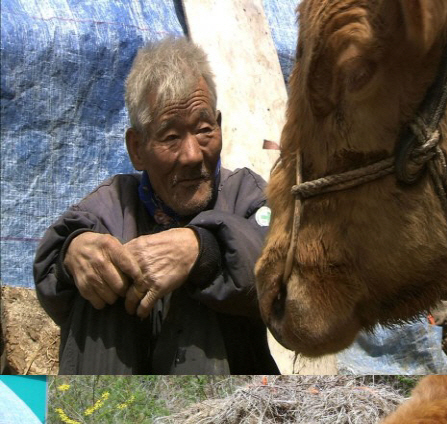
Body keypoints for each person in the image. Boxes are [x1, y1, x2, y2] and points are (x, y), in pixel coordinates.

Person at [33, 36, 278, 375]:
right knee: (100, 282)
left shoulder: (246, 194)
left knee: (201, 284)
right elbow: (51, 270)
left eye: (204, 130)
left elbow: (279, 262)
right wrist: (72, 255)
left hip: (226, 403)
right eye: (170, 137)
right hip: (117, 401)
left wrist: (203, 251)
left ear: (219, 127)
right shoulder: (113, 202)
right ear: (137, 148)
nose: (193, 155)